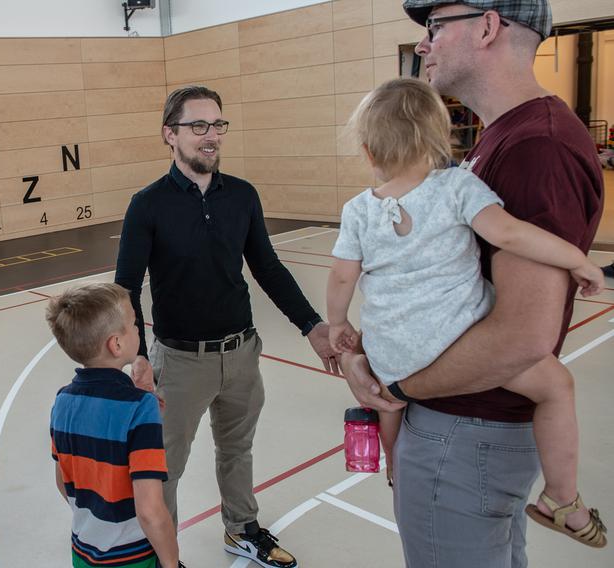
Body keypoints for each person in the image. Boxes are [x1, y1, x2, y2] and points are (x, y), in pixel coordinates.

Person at [339, 2, 605, 566]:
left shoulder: (538, 147)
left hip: (465, 433)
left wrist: (400, 385)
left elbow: (521, 338)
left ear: (487, 26)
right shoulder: (492, 144)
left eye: (435, 27)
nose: (424, 45)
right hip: (461, 425)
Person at [115, 85, 338, 568]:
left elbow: (268, 268)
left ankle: (241, 529)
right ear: (169, 135)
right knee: (165, 468)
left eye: (217, 125)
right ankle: (162, 554)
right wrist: (137, 357)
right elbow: (125, 287)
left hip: (241, 354)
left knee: (237, 450)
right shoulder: (147, 205)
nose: (211, 136)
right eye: (198, 126)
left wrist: (311, 325)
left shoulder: (242, 195)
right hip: (177, 363)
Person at [46, 283, 181, 568]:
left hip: (83, 551)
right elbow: (150, 511)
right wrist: (171, 563)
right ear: (116, 344)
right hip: (132, 558)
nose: (138, 329)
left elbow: (62, 481)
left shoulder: (63, 401)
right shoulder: (140, 408)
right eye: (133, 324)